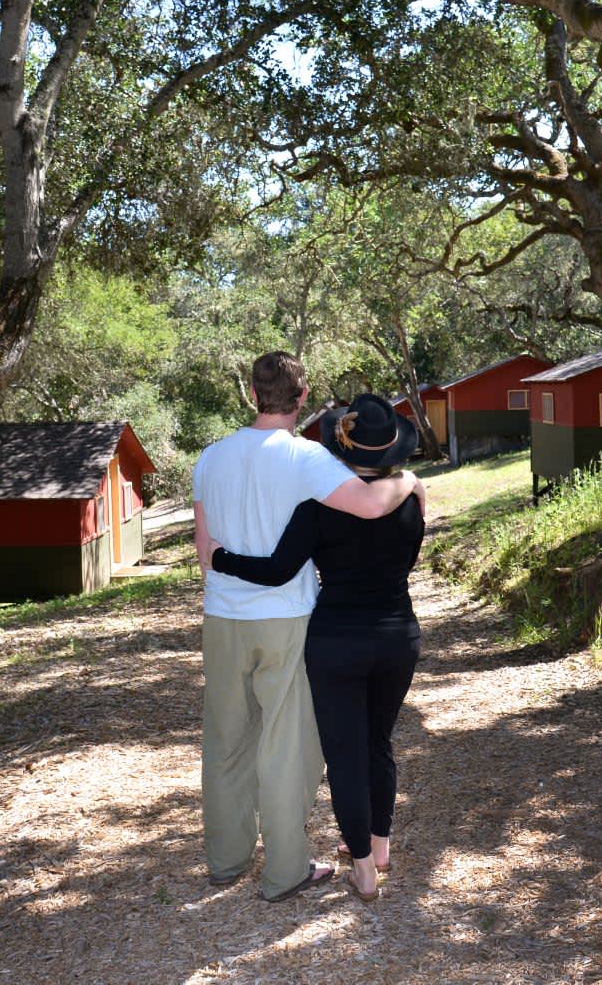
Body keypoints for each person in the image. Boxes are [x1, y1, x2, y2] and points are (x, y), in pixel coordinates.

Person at [192, 354, 422, 902]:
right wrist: (411, 480)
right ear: (303, 396)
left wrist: (223, 565)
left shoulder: (210, 458)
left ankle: (225, 860)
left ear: (251, 393)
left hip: (223, 615)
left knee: (225, 741)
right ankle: (286, 870)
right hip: (287, 618)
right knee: (286, 747)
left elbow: (205, 552)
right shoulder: (308, 457)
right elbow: (369, 504)